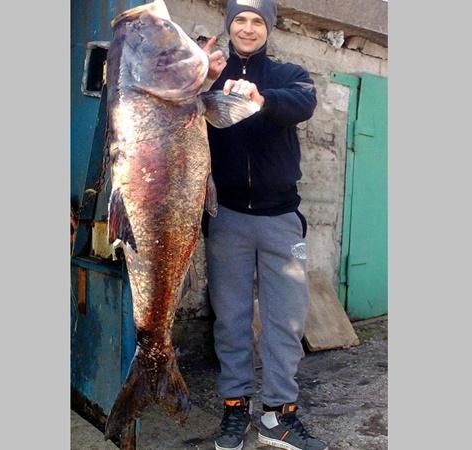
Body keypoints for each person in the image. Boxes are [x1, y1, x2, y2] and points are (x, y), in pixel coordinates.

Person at [201, 1, 328, 449]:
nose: (249, 28)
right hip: (227, 218)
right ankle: (235, 411)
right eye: (240, 19)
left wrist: (261, 98)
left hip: (280, 219)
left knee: (285, 323)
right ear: (229, 25)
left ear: (269, 28)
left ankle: (278, 416)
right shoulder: (208, 70)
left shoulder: (289, 74)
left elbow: (303, 103)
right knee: (230, 320)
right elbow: (175, 108)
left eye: (258, 20)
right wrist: (203, 76)